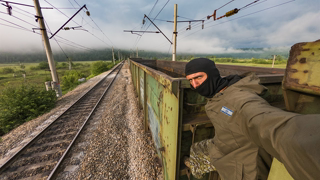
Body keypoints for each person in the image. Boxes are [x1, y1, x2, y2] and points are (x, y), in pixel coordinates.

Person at [184, 58, 320, 180]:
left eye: (199, 77)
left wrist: (308, 138)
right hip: (226, 150)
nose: (195, 85)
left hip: (243, 168)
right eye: (190, 80)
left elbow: (265, 121)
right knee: (196, 151)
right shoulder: (219, 93)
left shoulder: (239, 99)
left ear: (212, 74)